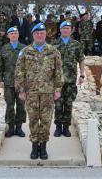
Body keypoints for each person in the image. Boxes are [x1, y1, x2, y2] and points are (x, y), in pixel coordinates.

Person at [15, 22, 63, 160]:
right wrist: (21, 90)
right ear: (33, 35)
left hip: (48, 92)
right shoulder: (25, 51)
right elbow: (19, 72)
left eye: (42, 33)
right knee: (33, 119)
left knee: (46, 120)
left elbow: (58, 72)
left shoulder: (53, 51)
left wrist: (58, 89)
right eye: (37, 33)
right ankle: (34, 146)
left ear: (45, 34)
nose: (39, 35)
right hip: (31, 92)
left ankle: (43, 147)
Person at [53, 21, 85, 137]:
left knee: (68, 104)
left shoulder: (76, 44)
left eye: (68, 28)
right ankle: (57, 127)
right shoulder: (54, 44)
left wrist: (82, 75)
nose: (66, 30)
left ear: (71, 30)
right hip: (58, 81)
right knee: (58, 105)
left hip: (71, 81)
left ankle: (66, 127)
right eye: (64, 28)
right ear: (60, 30)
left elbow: (81, 60)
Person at [0, 27, 26, 138]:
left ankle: (19, 128)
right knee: (10, 105)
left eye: (16, 33)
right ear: (8, 36)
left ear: (18, 35)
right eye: (12, 33)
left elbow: (28, 66)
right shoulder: (4, 48)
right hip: (9, 82)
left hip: (21, 83)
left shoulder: (24, 48)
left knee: (21, 106)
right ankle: (10, 128)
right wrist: (0, 80)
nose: (14, 35)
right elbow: (0, 65)